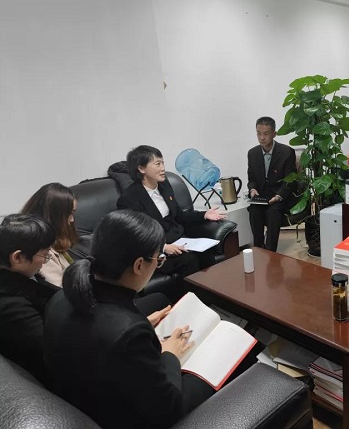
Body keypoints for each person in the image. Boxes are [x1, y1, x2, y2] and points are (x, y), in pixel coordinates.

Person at [44, 210, 214, 429]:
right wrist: (169, 354)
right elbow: (168, 410)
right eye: (158, 260)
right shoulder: (128, 333)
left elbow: (97, 335)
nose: (158, 264)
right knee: (214, 368)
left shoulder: (60, 298)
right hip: (120, 417)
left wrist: (140, 323)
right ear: (139, 265)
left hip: (81, 404)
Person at [117, 145, 226, 280]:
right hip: (154, 253)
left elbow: (179, 215)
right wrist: (163, 248)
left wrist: (204, 215)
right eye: (157, 164)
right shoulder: (129, 199)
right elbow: (136, 237)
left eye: (163, 162)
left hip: (178, 241)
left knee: (207, 254)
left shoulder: (164, 186)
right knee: (189, 260)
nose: (163, 168)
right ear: (141, 168)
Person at [0, 214, 58, 382]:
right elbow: (51, 353)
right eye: (45, 255)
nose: (45, 262)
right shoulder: (11, 306)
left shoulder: (24, 276)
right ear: (17, 257)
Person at [247, 116, 296, 252]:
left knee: (273, 212)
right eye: (258, 133)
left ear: (274, 134)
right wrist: (252, 189)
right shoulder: (252, 153)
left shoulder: (286, 152)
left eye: (266, 134)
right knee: (254, 210)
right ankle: (258, 249)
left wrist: (279, 196)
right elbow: (251, 179)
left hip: (279, 195)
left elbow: (290, 181)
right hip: (261, 196)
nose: (262, 138)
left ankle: (270, 252)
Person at [21, 183, 78, 287]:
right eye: (69, 214)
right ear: (54, 216)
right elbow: (59, 288)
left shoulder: (55, 239)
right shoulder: (39, 249)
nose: (72, 220)